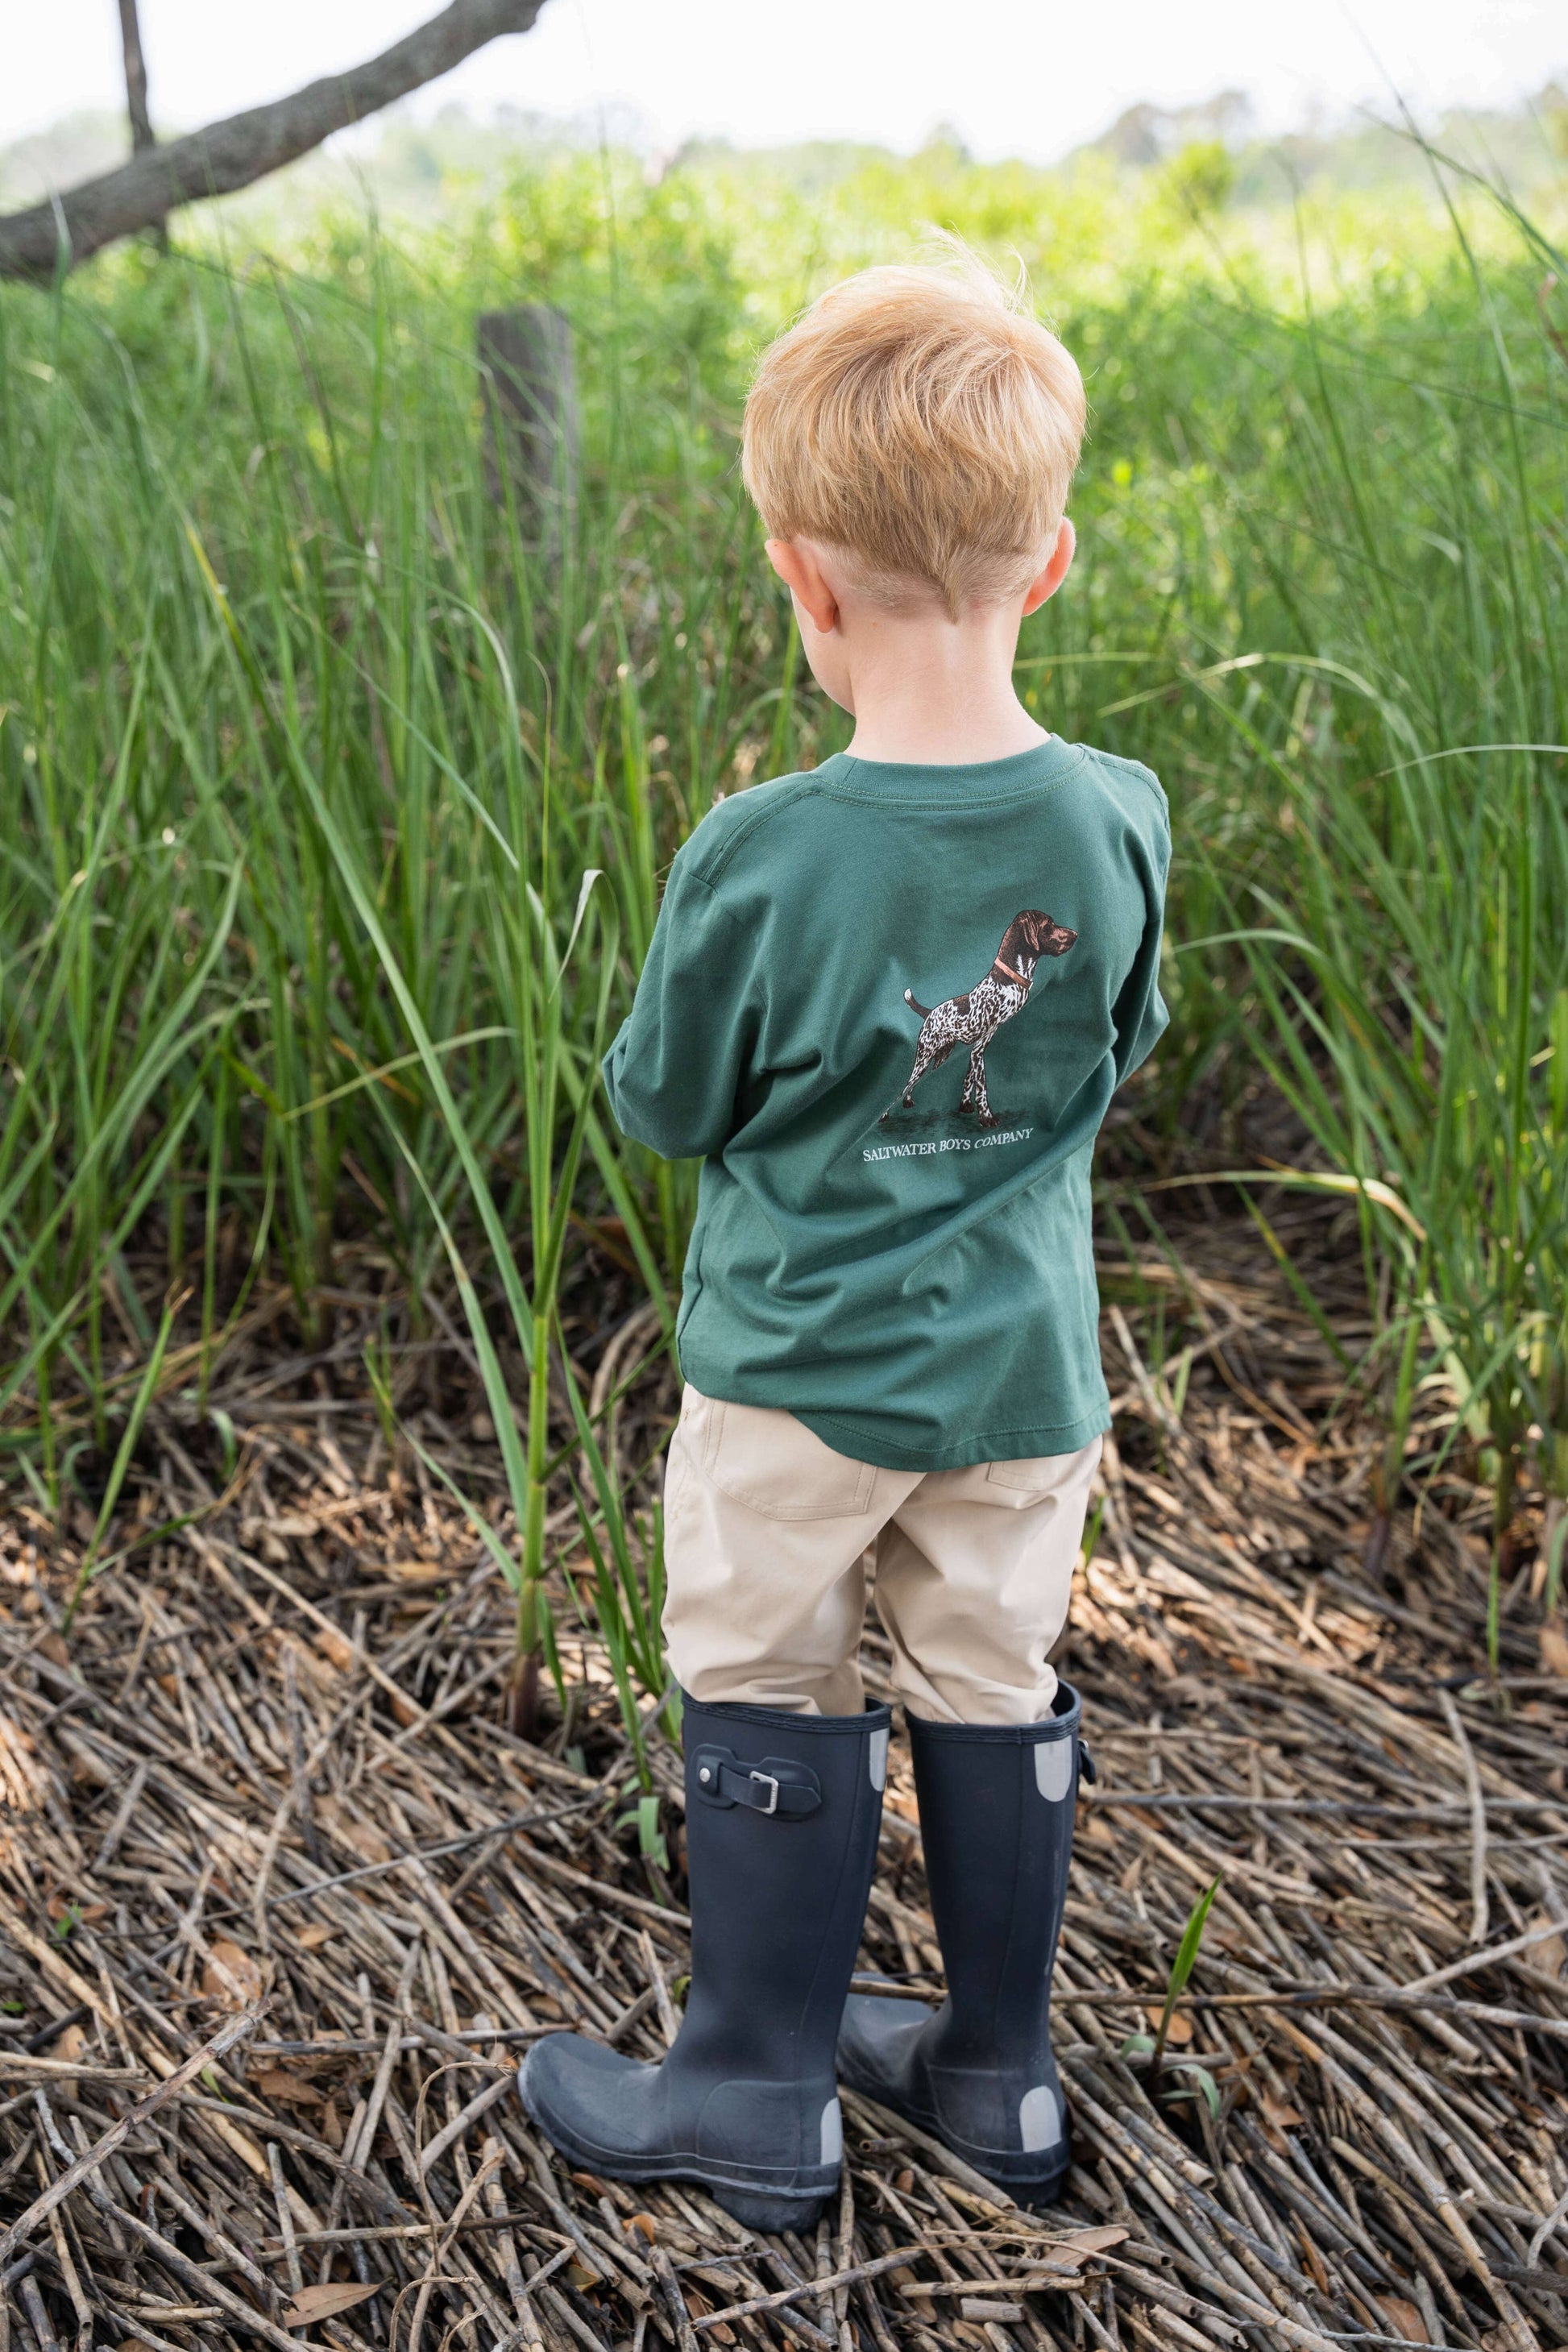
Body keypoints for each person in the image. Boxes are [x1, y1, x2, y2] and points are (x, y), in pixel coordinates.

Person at [522, 246, 1170, 2229]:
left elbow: (664, 1098)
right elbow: (1112, 1047)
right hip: (1021, 1372)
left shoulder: (764, 849)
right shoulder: (1116, 815)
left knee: (768, 1671)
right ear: (1046, 560)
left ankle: (752, 2086)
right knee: (992, 1670)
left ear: (802, 578)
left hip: (802, 1371)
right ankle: (996, 2075)